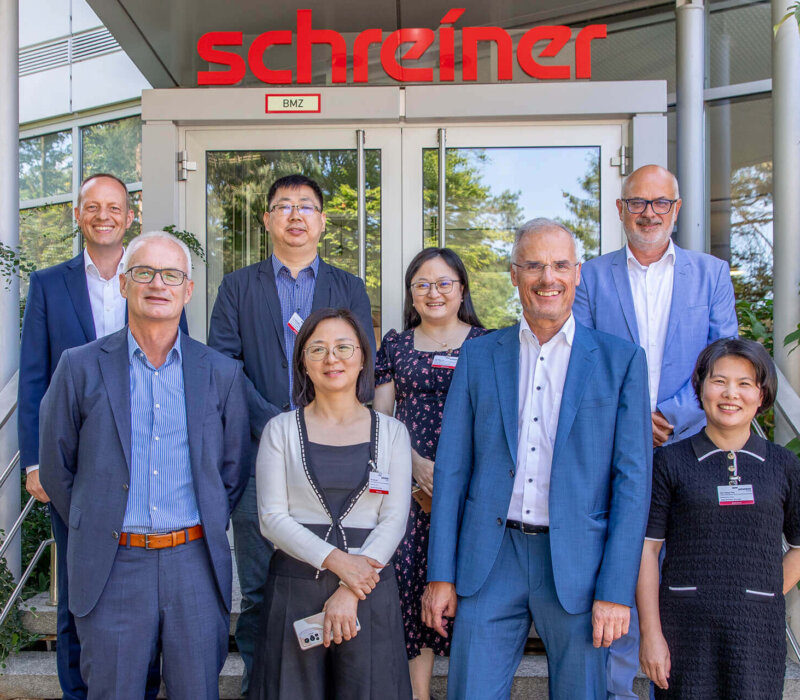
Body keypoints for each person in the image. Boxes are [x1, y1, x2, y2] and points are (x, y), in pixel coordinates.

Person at [422, 218, 653, 699]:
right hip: (490, 558)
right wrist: (440, 574)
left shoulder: (621, 360)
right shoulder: (479, 355)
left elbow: (632, 486)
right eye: (534, 266)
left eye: (559, 265)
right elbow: (451, 473)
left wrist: (614, 589)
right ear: (513, 274)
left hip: (579, 564)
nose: (548, 278)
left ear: (577, 272)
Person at [38, 231, 249, 699]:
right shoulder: (79, 366)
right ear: (123, 285)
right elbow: (56, 466)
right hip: (114, 564)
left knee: (197, 691)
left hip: (193, 562)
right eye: (145, 273)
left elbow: (230, 473)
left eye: (172, 274)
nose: (159, 284)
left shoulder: (220, 373)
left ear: (188, 289)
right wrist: (99, 519)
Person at [573, 164, 738, 699]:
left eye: (659, 203)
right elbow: (577, 360)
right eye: (638, 202)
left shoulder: (710, 274)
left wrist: (669, 414)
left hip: (688, 446)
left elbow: (724, 357)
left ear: (677, 208)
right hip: (610, 453)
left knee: (683, 579)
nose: (649, 213)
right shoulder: (589, 276)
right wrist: (629, 419)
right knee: (617, 574)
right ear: (620, 209)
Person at [17, 173, 184, 700]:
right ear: (78, 215)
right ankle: (78, 690)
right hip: (80, 466)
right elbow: (34, 380)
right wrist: (36, 463)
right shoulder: (49, 284)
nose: (104, 215)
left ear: (130, 215)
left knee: (146, 594)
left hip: (153, 463)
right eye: (93, 207)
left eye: (114, 206)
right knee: (78, 592)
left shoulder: (157, 278)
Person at [208, 174, 376, 694]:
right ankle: (261, 684)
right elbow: (223, 369)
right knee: (260, 587)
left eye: (306, 206)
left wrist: (317, 426)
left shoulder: (348, 287)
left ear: (322, 221)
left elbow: (360, 365)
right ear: (267, 220)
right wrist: (282, 427)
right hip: (261, 456)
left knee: (325, 575)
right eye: (283, 206)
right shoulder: (238, 286)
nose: (295, 215)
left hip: (334, 459)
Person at [250, 307, 412, 699]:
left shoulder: (392, 433)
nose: (331, 358)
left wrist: (350, 588)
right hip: (296, 589)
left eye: (343, 347)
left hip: (369, 594)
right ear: (302, 362)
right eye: (317, 349)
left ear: (362, 358)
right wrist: (339, 563)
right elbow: (272, 518)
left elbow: (393, 521)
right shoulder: (280, 430)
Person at [637, 338, 800, 699]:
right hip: (685, 632)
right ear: (700, 386)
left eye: (745, 384)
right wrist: (651, 635)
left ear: (762, 394)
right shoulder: (670, 462)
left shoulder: (784, 466)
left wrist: (767, 592)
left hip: (758, 635)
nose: (731, 394)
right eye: (719, 380)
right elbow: (647, 551)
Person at [373, 248, 488, 700]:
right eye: (422, 284)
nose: (434, 292)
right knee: (409, 592)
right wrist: (415, 465)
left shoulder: (489, 343)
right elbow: (380, 419)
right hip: (411, 492)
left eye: (444, 283)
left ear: (461, 290)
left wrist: (458, 476)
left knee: (468, 594)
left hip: (474, 495)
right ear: (411, 294)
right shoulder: (396, 346)